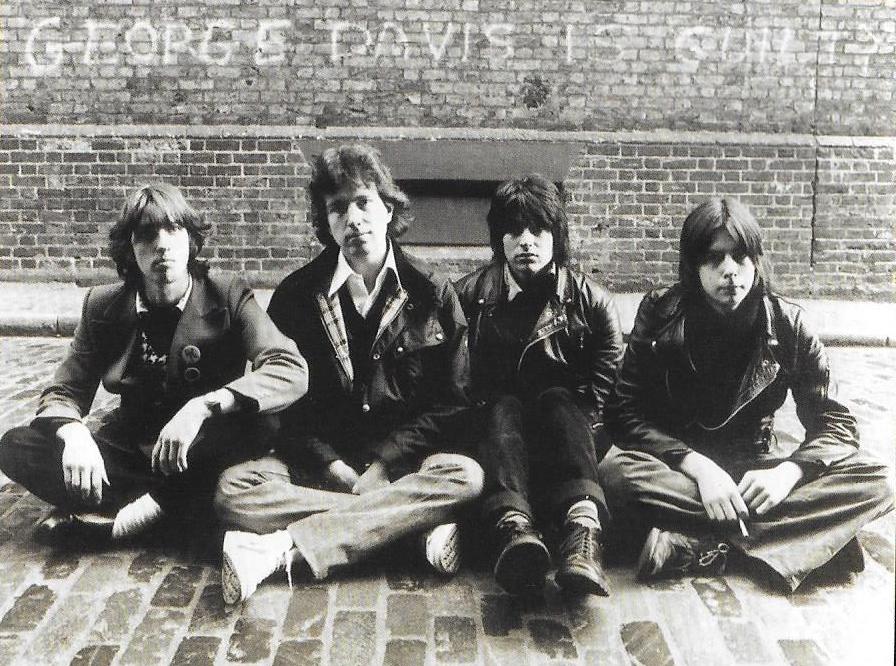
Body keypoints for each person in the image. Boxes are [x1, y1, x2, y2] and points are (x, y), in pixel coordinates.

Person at [214, 143, 483, 604]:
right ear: (327, 222)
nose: (353, 219)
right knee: (232, 491)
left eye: (363, 202)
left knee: (466, 476)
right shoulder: (296, 297)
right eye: (338, 208)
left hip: (404, 469)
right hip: (319, 469)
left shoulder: (432, 292)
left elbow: (454, 402)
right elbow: (282, 406)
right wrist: (333, 465)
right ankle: (410, 528)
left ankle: (280, 548)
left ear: (388, 208)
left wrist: (383, 464)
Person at [600, 197, 894, 592]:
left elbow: (836, 422)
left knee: (878, 479)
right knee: (615, 474)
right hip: (681, 473)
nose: (729, 271)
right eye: (713, 258)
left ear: (756, 260)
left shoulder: (788, 324)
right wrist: (698, 467)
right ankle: (803, 541)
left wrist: (788, 474)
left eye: (740, 257)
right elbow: (623, 412)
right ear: (693, 266)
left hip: (756, 472)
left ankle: (710, 548)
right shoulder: (661, 312)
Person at [0, 183, 308, 544]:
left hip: (203, 446)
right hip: (133, 451)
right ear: (129, 248)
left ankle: (128, 518)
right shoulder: (102, 305)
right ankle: (179, 505)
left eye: (173, 229)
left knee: (260, 424)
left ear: (191, 239)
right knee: (16, 445)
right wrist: (74, 434)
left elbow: (288, 367)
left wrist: (203, 407)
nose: (162, 244)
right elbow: (63, 391)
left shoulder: (226, 293)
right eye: (147, 234)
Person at [454, 175, 624, 596]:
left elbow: (602, 397)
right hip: (498, 445)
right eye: (514, 230)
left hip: (568, 445)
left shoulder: (593, 303)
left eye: (539, 229)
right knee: (503, 405)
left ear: (557, 236)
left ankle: (583, 535)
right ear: (499, 239)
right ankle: (515, 534)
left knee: (560, 400)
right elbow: (460, 388)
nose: (526, 241)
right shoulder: (468, 298)